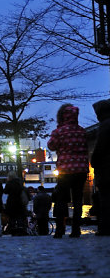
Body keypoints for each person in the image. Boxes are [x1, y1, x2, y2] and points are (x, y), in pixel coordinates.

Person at [48, 103, 89, 238]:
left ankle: (60, 230)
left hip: (65, 169)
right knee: (78, 199)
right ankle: (76, 229)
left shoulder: (60, 132)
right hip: (81, 169)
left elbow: (51, 145)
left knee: (61, 199)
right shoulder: (82, 131)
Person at [91, 99, 110, 236]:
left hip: (106, 170)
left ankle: (105, 228)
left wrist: (94, 161)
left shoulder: (104, 126)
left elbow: (99, 148)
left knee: (105, 199)